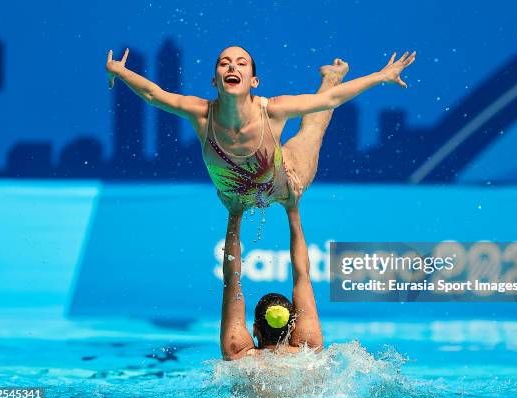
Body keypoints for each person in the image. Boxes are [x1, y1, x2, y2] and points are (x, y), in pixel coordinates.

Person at [105, 45, 415, 359]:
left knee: (313, 126)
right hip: (240, 195)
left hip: (284, 181)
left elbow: (330, 101)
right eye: (224, 62)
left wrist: (381, 76)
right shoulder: (201, 113)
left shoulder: (273, 110)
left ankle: (331, 76)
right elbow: (154, 95)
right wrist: (120, 71)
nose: (232, 67)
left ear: (254, 80)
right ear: (215, 80)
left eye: (241, 63)